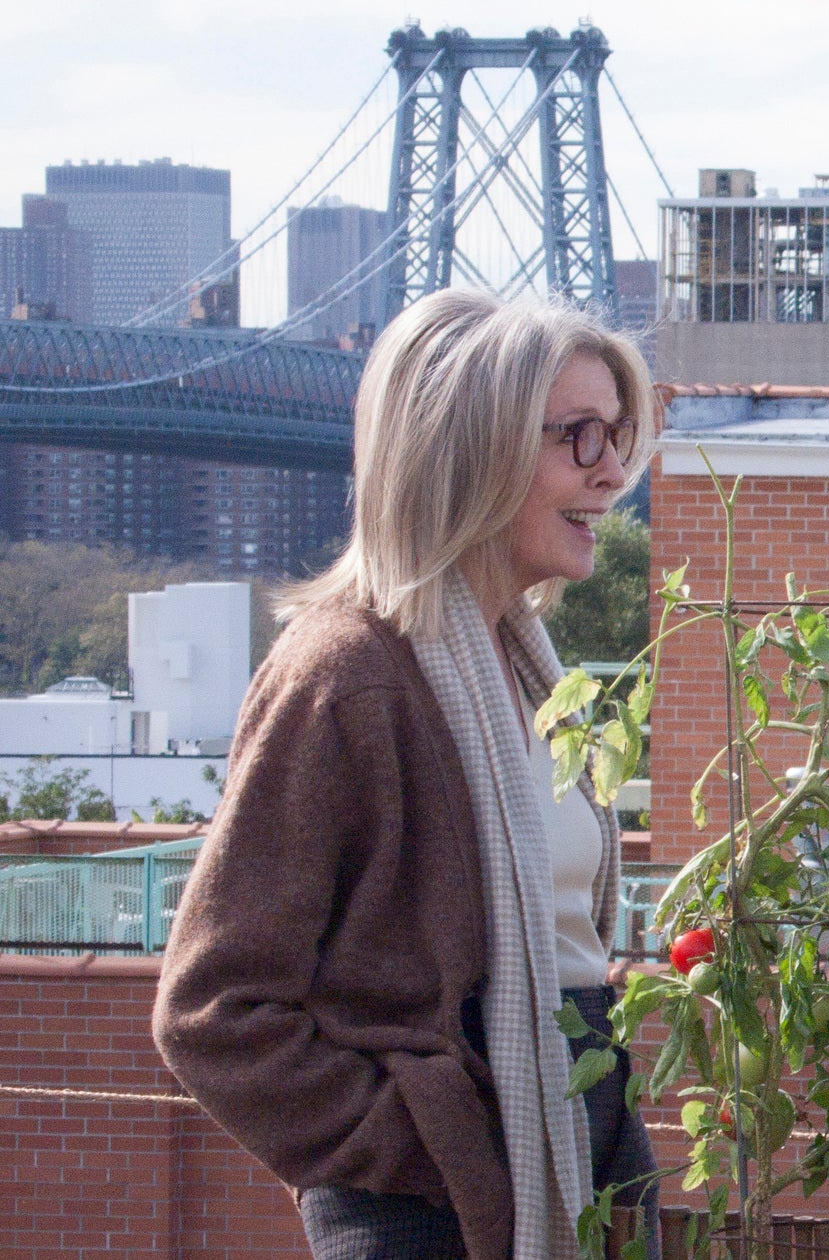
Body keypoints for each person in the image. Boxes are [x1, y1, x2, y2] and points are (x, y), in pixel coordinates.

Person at [153, 289, 665, 1260]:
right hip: (433, 1213)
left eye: (620, 434)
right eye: (578, 436)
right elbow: (212, 1011)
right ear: (469, 450)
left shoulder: (526, 666)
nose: (613, 471)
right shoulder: (346, 676)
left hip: (569, 1162)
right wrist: (422, 1141)